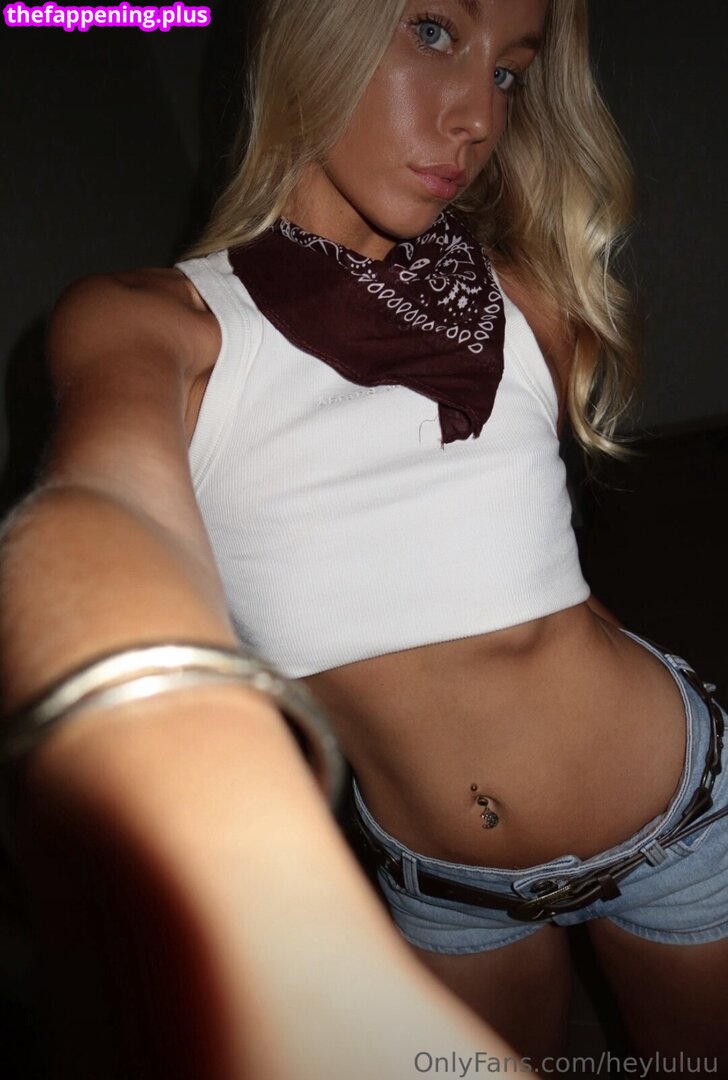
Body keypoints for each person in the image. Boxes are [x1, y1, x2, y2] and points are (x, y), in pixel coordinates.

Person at [2, 0, 727, 1076]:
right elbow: (104, 511)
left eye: (509, 72)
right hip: (444, 891)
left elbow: (519, 585)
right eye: (434, 33)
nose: (477, 116)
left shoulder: (527, 303)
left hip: (678, 822)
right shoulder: (152, 323)